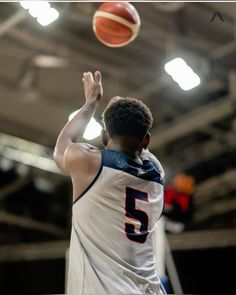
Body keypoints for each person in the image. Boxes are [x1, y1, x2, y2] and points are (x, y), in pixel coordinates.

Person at [54, 71, 166, 295]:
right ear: (146, 140)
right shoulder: (157, 175)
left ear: (105, 135)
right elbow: (136, 141)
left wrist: (91, 102)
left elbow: (62, 148)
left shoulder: (88, 162)